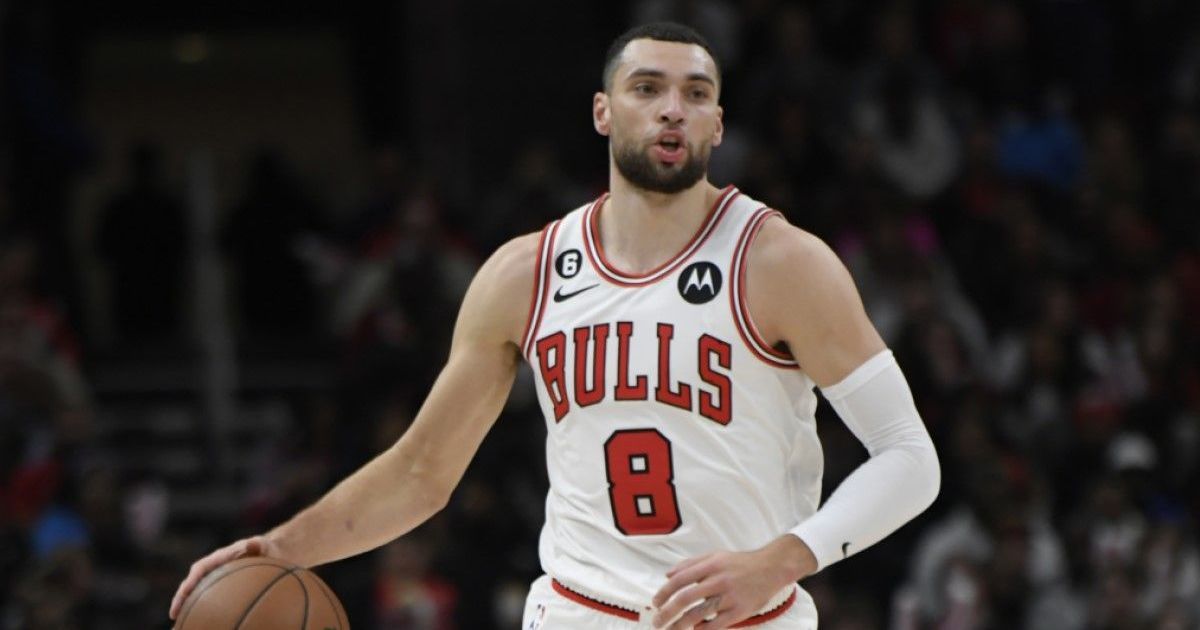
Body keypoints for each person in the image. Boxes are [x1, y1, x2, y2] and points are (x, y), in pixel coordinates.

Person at [169, 23, 940, 629]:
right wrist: (281, 547)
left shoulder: (781, 263)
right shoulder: (525, 274)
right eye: (647, 88)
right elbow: (421, 473)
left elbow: (909, 457)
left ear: (716, 124)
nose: (672, 107)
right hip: (578, 612)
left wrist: (785, 558)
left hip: (744, 616)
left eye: (696, 93)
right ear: (603, 111)